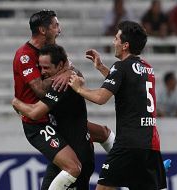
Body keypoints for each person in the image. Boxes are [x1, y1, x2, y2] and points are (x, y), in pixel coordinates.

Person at [12, 10, 114, 189]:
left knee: (103, 132)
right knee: (73, 167)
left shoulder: (54, 51)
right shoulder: (25, 55)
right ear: (43, 30)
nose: (59, 29)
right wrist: (65, 73)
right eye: (55, 25)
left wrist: (68, 72)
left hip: (57, 116)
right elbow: (41, 90)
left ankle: (127, 166)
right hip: (38, 124)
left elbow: (79, 76)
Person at [69, 21, 167, 190]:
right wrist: (101, 68)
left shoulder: (121, 67)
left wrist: (79, 89)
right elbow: (126, 85)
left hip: (128, 144)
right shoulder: (147, 68)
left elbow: (101, 97)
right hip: (150, 146)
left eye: (116, 39)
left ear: (125, 45)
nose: (113, 42)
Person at [13, 44, 95, 189]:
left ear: (61, 65)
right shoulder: (69, 77)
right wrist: (70, 71)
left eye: (46, 68)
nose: (42, 73)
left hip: (74, 158)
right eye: (40, 67)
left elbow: (35, 113)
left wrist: (17, 103)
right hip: (73, 152)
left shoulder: (60, 85)